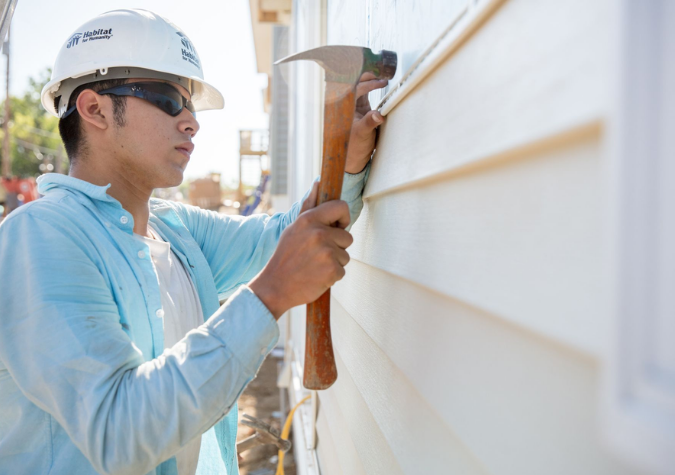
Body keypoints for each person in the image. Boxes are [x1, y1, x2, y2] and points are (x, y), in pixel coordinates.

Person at [0, 9, 387, 475]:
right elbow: (117, 433)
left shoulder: (175, 230)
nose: (191, 123)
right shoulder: (41, 239)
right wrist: (271, 295)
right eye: (168, 99)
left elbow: (290, 236)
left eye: (191, 105)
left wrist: (345, 164)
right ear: (94, 109)